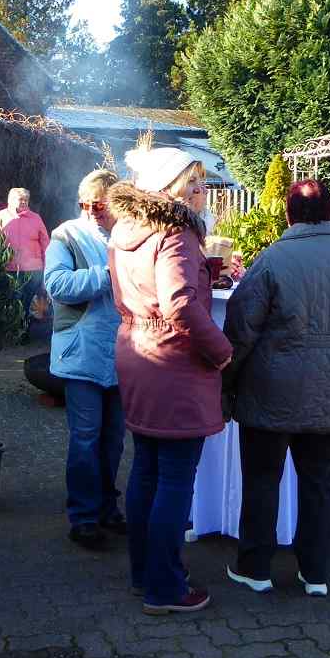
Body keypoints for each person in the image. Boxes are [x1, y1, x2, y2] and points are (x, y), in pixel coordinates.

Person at [223, 180, 330, 596]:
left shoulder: (273, 260)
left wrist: (225, 382)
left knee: (262, 480)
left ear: (289, 214)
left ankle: (255, 568)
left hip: (273, 390)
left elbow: (240, 330)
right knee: (320, 484)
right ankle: (316, 572)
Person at [108, 147, 231, 615]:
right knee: (175, 478)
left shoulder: (127, 230)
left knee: (147, 471)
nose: (201, 192)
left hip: (138, 353)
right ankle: (164, 587)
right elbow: (180, 304)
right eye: (193, 183)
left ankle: (146, 575)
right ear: (169, 189)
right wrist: (220, 352)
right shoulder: (175, 232)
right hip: (173, 364)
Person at [43, 169, 125, 550]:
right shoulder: (65, 235)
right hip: (81, 355)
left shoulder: (129, 237)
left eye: (99, 205)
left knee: (113, 441)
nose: (92, 211)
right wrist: (109, 274)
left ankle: (108, 507)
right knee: (86, 439)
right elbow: (56, 285)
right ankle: (83, 516)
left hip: (122, 354)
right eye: (86, 204)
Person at [0, 187, 51, 322]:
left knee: (28, 301)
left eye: (26, 200)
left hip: (33, 269)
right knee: (13, 299)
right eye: (21, 200)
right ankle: (15, 329)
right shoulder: (1, 216)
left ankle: (24, 331)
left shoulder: (36, 218)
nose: (24, 202)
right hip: (10, 268)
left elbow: (45, 243)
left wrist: (47, 264)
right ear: (11, 201)